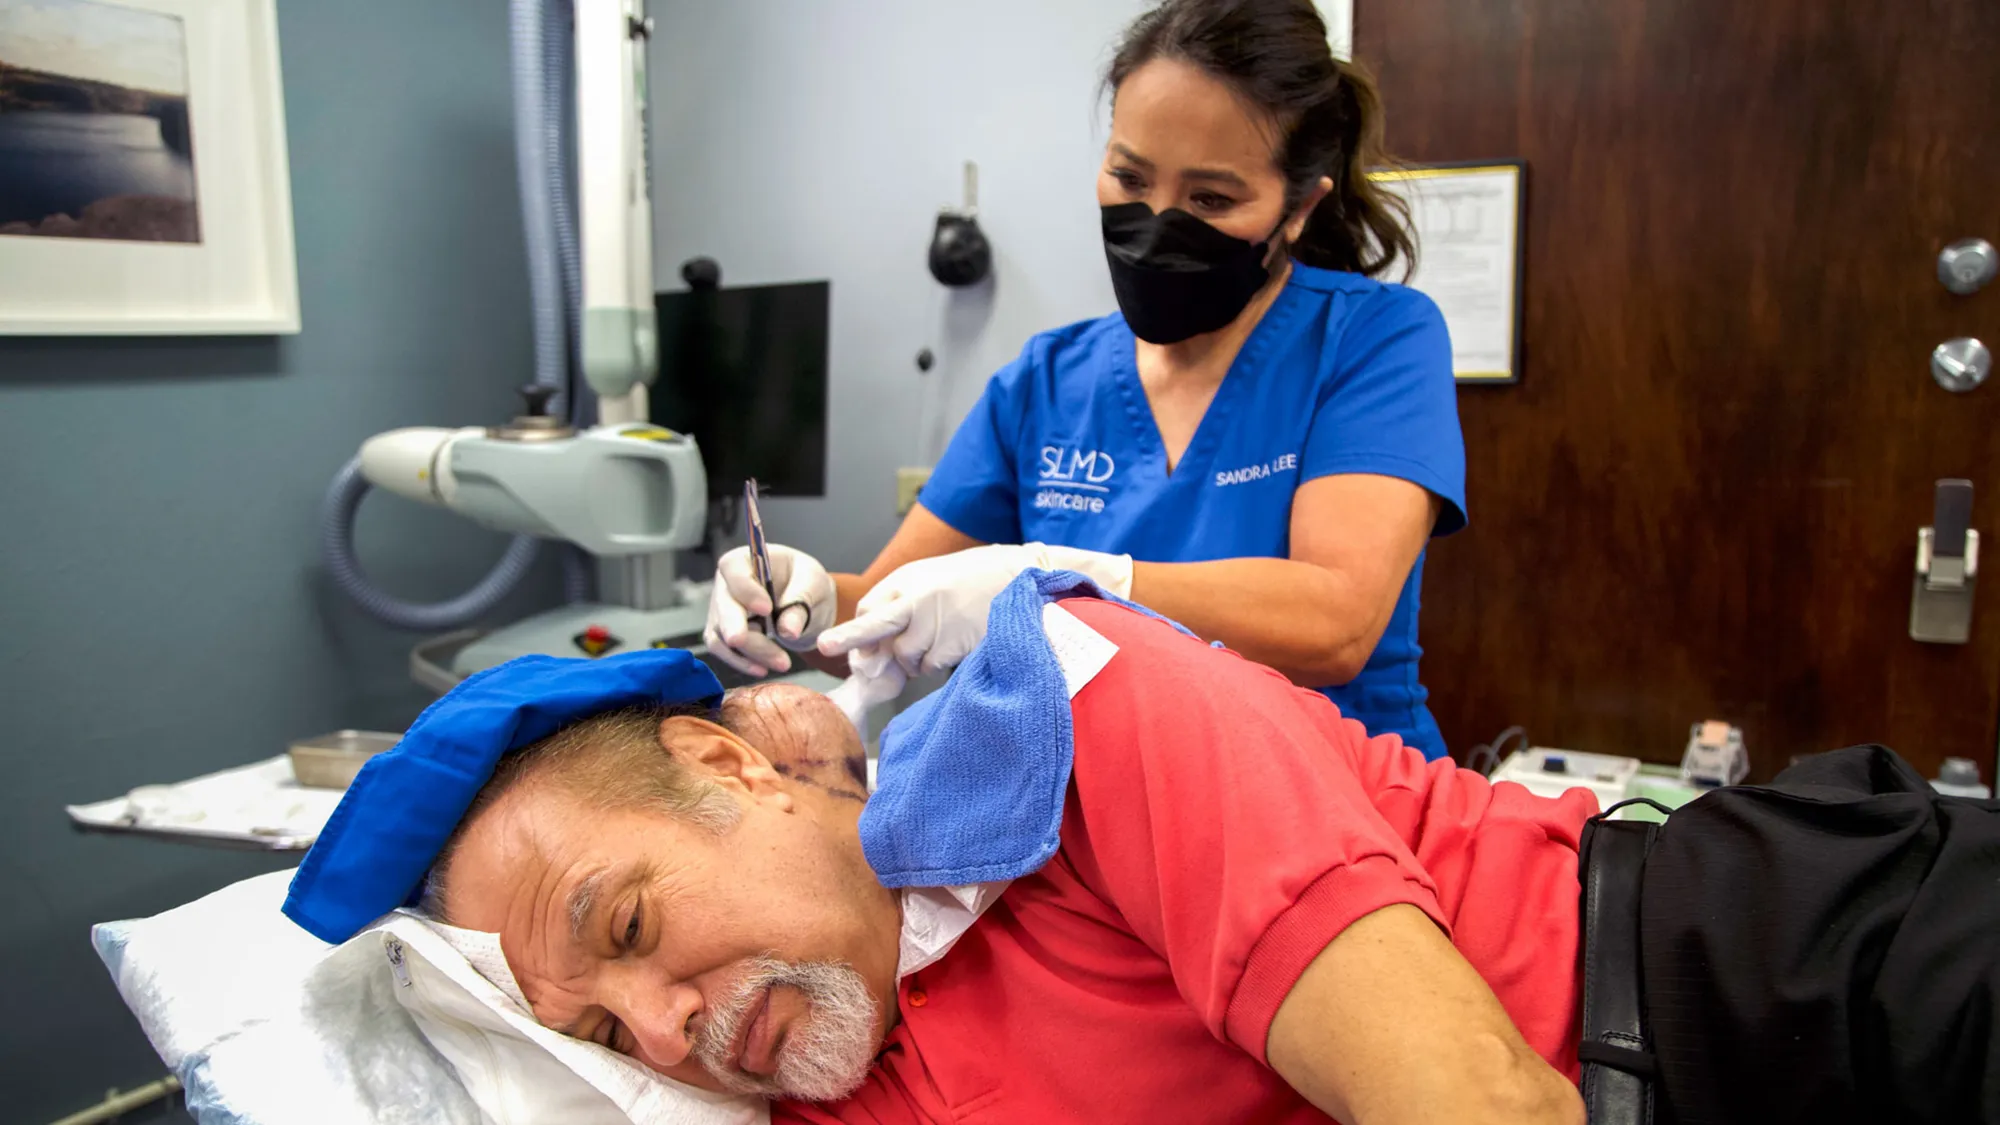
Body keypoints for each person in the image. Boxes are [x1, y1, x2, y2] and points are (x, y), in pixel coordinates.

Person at [287, 576, 2000, 1124]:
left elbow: (1485, 1108)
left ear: (732, 760)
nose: (660, 1030)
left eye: (633, 926)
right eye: (597, 1034)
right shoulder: (819, 1069)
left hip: (1772, 967)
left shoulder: (1076, 723)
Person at [704, 0, 1467, 757]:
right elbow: (882, 608)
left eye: (1211, 198)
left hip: (1336, 802)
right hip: (1109, 820)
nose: (1159, 219)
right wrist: (798, 597)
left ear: (1299, 208)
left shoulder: (1373, 339)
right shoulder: (1045, 383)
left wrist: (1059, 578)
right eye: (1130, 177)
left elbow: (1335, 624)